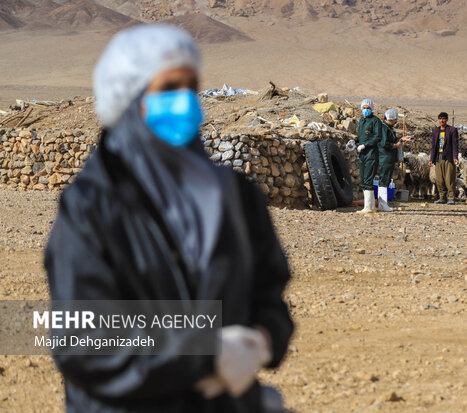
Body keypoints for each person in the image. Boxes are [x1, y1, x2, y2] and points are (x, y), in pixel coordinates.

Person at [44, 24, 294, 412]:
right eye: (166, 89)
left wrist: (262, 339)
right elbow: (83, 339)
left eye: (190, 87)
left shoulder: (233, 195)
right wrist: (205, 353)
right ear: (130, 99)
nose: (183, 101)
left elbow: (269, 292)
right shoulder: (90, 208)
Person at [355, 98, 382, 213]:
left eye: (368, 108)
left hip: (371, 154)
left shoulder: (375, 121)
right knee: (363, 179)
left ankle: (368, 207)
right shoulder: (362, 121)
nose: (365, 110)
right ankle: (370, 206)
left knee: (368, 179)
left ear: (372, 109)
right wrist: (354, 140)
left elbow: (377, 137)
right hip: (362, 154)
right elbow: (360, 136)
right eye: (364, 108)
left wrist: (365, 145)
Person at [429, 112, 459, 204]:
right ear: (438, 120)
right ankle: (442, 197)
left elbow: (455, 145)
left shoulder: (452, 130)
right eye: (440, 119)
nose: (442, 120)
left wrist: (455, 157)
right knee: (439, 178)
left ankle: (451, 198)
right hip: (439, 157)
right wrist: (431, 159)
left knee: (449, 178)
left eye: (444, 119)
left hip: (448, 157)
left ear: (447, 119)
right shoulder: (436, 131)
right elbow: (433, 146)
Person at [377, 109, 402, 212]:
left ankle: (383, 204)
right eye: (395, 119)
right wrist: (396, 145)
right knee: (384, 179)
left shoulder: (389, 128)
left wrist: (402, 140)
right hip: (385, 157)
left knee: (386, 179)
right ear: (391, 119)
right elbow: (384, 143)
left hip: (389, 157)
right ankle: (382, 204)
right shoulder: (384, 128)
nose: (396, 121)